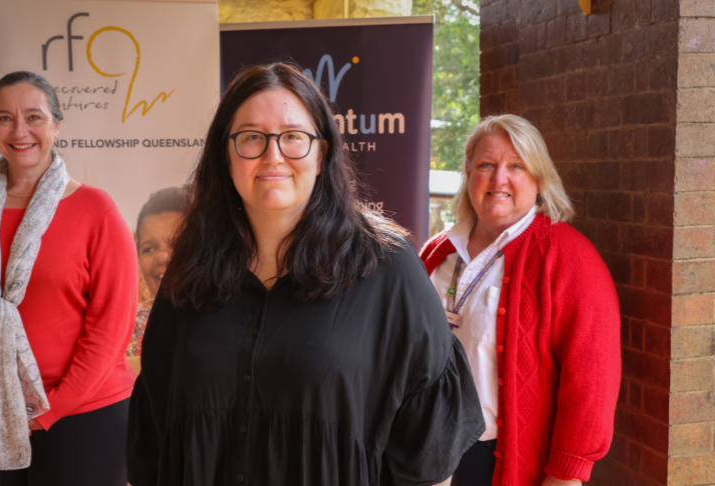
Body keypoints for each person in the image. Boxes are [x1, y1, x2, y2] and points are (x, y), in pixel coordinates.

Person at [126, 62, 485, 486]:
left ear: (322, 153)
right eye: (251, 138)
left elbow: (426, 449)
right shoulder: (191, 265)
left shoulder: (387, 267)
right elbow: (155, 426)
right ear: (226, 155)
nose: (272, 155)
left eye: (293, 137)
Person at [0, 71, 138, 486]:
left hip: (83, 420)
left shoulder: (96, 210)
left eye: (34, 117)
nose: (19, 130)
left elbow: (110, 327)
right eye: (5, 118)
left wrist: (50, 410)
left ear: (56, 125)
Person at [420, 115, 621, 486]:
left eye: (516, 166)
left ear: (539, 178)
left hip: (500, 460)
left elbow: (593, 377)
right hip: (425, 454)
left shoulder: (567, 257)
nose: (499, 179)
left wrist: (566, 474)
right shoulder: (437, 251)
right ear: (468, 172)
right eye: (486, 165)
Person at [126, 186, 188, 375]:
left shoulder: (232, 321)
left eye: (177, 245)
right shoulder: (128, 326)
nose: (162, 257)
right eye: (149, 249)